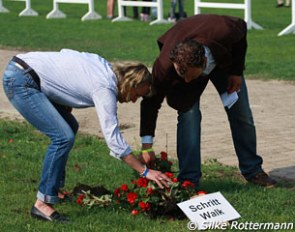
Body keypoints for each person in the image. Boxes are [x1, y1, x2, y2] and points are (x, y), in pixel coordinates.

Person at [2, 49, 172, 223]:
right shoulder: (104, 87)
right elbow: (113, 140)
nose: (134, 100)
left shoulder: (104, 67)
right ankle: (42, 203)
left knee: (70, 126)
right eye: (137, 94)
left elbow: (67, 57)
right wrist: (145, 172)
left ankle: (55, 190)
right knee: (63, 137)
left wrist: (64, 101)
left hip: (24, 69)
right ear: (130, 83)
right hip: (21, 80)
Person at [139, 14, 277, 190]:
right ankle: (189, 180)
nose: (187, 81)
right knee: (189, 116)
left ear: (204, 62)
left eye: (191, 76)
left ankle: (253, 170)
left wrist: (236, 71)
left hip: (223, 63)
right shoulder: (165, 67)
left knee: (241, 113)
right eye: (184, 75)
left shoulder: (225, 30)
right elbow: (151, 102)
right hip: (185, 52)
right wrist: (146, 146)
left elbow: (241, 32)